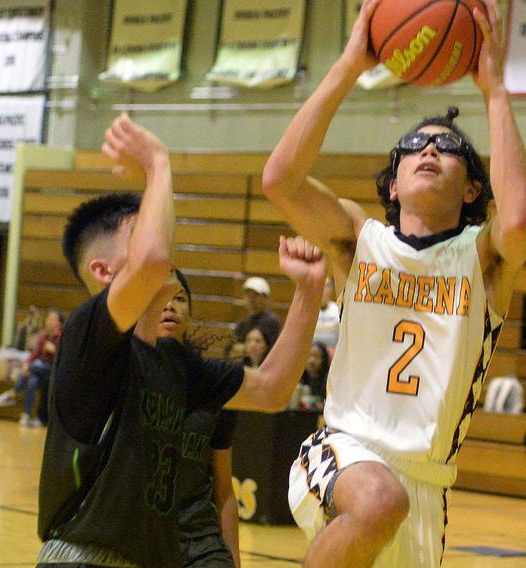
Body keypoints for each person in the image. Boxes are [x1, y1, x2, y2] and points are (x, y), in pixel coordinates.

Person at [262, 1, 526, 565]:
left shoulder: (481, 260)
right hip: (345, 449)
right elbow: (281, 180)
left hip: (428, 484)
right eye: (414, 145)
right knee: (380, 500)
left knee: (390, 502)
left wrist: (496, 92)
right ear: (392, 185)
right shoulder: (357, 241)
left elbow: (516, 221)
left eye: (450, 147)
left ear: (470, 190)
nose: (431, 148)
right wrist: (347, 66)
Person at [36, 114, 326, 567]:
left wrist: (307, 292)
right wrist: (157, 164)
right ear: (104, 272)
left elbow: (272, 389)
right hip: (84, 556)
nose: (163, 237)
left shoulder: (177, 364)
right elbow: (152, 260)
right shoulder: (86, 337)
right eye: (144, 227)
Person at [155, 269, 241, 567]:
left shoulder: (214, 385)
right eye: (160, 298)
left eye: (179, 298)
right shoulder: (124, 376)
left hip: (200, 542)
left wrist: (234, 558)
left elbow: (224, 489)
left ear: (190, 313)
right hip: (141, 540)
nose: (169, 305)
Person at [0, 309, 64, 427]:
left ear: (59, 323)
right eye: (48, 318)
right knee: (32, 380)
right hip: (41, 370)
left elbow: (65, 358)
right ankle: (26, 416)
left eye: (52, 319)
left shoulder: (62, 337)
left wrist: (54, 350)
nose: (48, 321)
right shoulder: (44, 336)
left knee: (33, 368)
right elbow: (34, 353)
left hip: (55, 370)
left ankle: (13, 393)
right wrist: (26, 363)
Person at [232, 276, 281, 346]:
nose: (251, 299)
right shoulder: (243, 323)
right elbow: (229, 349)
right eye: (248, 294)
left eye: (256, 294)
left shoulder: (272, 322)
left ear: (265, 298)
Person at [313, 276, 340, 350]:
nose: (323, 289)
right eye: (321, 285)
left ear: (332, 289)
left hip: (333, 351)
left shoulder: (338, 309)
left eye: (327, 286)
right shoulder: (308, 310)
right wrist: (331, 328)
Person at [301, 341, 331, 407]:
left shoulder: (329, 381)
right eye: (309, 356)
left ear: (324, 360)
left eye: (317, 357)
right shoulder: (299, 380)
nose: (312, 360)